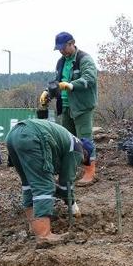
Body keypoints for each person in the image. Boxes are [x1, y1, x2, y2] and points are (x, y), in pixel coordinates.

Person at [6, 118, 91, 242]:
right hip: (33, 135)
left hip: (13, 135)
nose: (80, 163)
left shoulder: (68, 139)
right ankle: (44, 235)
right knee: (43, 185)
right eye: (83, 162)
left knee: (29, 183)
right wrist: (71, 204)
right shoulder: (78, 149)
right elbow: (66, 183)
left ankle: (34, 227)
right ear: (85, 153)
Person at [40, 31, 99, 185]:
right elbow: (57, 81)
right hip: (65, 106)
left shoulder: (84, 59)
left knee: (85, 139)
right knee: (67, 141)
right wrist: (48, 92)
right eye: (59, 49)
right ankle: (69, 173)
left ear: (72, 43)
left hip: (82, 106)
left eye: (64, 47)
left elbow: (90, 78)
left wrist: (71, 85)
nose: (61, 51)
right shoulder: (61, 62)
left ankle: (89, 173)